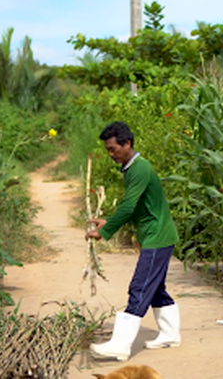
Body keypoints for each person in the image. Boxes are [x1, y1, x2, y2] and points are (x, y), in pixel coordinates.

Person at [85, 121, 180, 361]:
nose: (110, 154)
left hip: (157, 237)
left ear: (127, 143)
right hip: (157, 235)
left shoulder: (139, 169)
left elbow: (128, 206)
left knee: (139, 287)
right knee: (156, 288)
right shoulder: (133, 167)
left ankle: (120, 345)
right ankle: (170, 334)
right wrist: (110, 222)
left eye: (112, 149)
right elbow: (138, 207)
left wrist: (105, 233)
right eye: (107, 149)